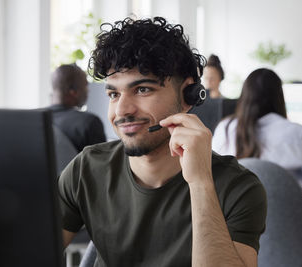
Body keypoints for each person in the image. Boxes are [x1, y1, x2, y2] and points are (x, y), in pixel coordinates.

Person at [59, 17, 266, 267]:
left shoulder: (237, 188)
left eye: (143, 89)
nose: (122, 110)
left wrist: (200, 183)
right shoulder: (87, 168)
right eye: (114, 94)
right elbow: (28, 251)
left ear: (189, 94)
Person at [212, 68, 302, 195]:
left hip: (232, 218)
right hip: (285, 218)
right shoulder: (296, 134)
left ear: (244, 97)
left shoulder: (225, 128)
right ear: (279, 97)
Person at [49, 64, 106, 152]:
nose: (88, 90)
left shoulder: (34, 120)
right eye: (86, 86)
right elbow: (103, 163)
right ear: (73, 91)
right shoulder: (89, 122)